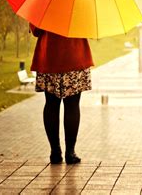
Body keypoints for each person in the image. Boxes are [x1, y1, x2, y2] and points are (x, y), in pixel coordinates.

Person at [30, 24, 94, 164]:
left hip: (50, 56)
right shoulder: (80, 3)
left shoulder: (43, 3)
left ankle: (55, 152)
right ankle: (70, 152)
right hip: (74, 55)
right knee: (72, 105)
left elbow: (35, 30)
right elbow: (89, 28)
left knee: (51, 104)